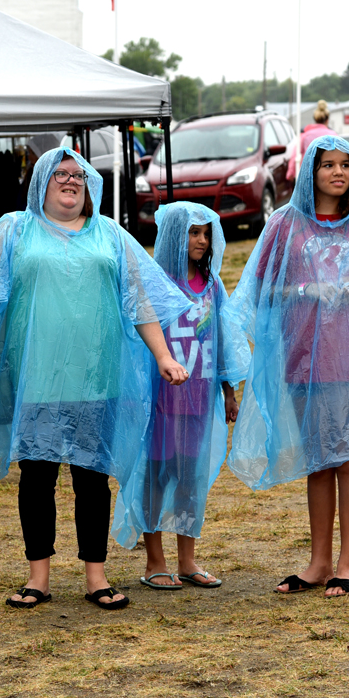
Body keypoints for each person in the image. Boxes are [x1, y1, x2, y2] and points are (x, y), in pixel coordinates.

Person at [0, 147, 191, 611]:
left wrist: (164, 355)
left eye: (79, 175)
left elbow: (138, 302)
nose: (70, 181)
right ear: (41, 182)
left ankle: (96, 576)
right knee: (37, 477)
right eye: (60, 174)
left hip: (95, 375)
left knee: (92, 477)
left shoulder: (109, 235)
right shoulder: (14, 230)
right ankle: (37, 577)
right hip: (35, 376)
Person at [224, 135, 349, 597]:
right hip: (304, 359)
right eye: (328, 165)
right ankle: (317, 562)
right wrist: (304, 291)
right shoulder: (285, 226)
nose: (338, 173)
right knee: (319, 458)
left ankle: (348, 562)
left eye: (345, 166)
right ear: (310, 173)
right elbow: (259, 293)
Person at [111, 203, 250, 590]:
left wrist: (228, 390)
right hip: (160, 401)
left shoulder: (212, 286)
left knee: (190, 474)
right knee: (158, 474)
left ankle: (187, 559)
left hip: (200, 399)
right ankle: (155, 559)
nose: (202, 241)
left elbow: (222, 342)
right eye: (193, 233)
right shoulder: (154, 284)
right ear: (174, 235)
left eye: (206, 233)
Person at [287, 100, 337, 182]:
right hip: (327, 175)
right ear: (327, 119)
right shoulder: (333, 135)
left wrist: (291, 173)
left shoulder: (305, 135)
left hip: (308, 174)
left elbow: (295, 154)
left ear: (315, 119)